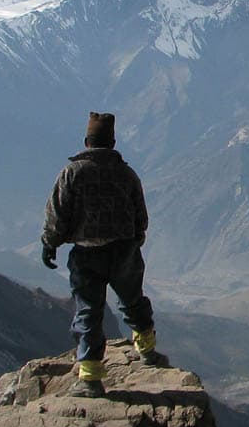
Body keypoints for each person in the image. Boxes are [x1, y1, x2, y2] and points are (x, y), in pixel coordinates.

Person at [41, 111, 162, 397]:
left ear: (87, 141)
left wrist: (50, 243)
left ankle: (91, 378)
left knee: (89, 311)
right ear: (112, 141)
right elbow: (140, 216)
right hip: (124, 250)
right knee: (133, 301)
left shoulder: (72, 173)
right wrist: (135, 241)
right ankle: (146, 351)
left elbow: (57, 215)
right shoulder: (126, 174)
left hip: (86, 254)